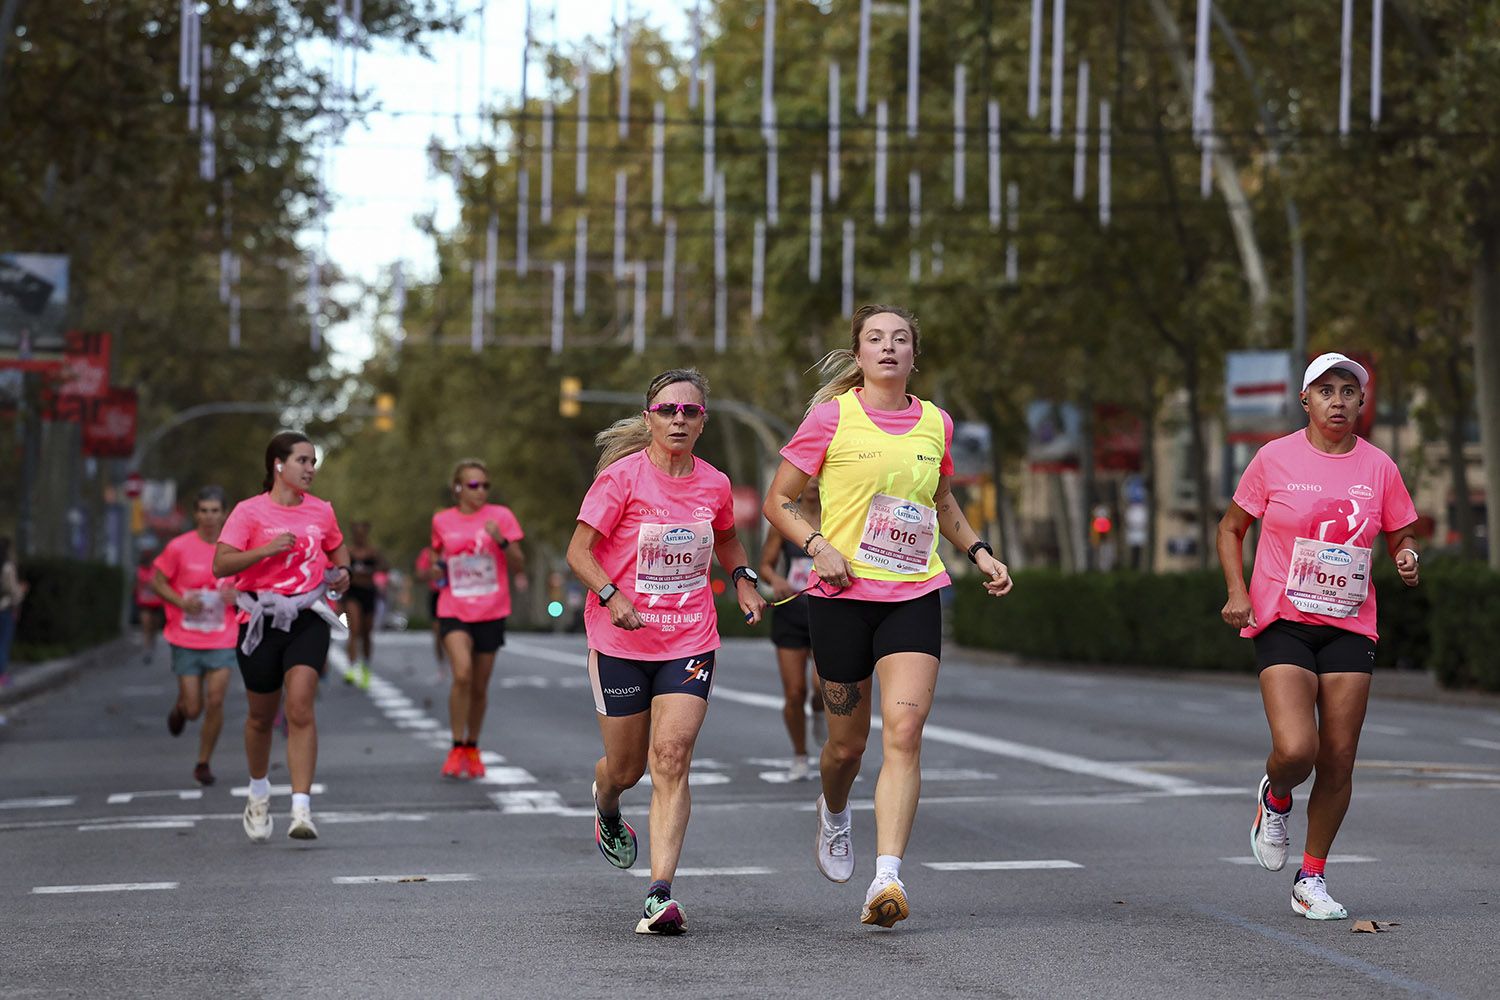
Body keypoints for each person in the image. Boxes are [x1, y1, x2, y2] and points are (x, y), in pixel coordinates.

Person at [762, 304, 1013, 929]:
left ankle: (887, 878)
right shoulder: (829, 419)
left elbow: (944, 500)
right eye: (876, 339)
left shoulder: (935, 423)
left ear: (914, 357)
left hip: (913, 594)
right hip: (841, 599)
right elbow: (779, 500)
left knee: (904, 734)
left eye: (900, 339)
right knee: (846, 748)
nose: (889, 348)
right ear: (859, 354)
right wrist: (819, 546)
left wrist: (979, 552)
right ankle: (835, 811)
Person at [1218, 353, 1420, 921]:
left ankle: (1311, 878)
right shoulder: (1273, 458)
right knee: (1297, 749)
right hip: (1283, 618)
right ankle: (1275, 796)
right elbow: (1231, 528)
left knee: (1338, 759)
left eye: (1348, 391)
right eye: (1325, 390)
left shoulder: (1379, 467)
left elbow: (1403, 532)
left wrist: (1407, 557)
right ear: (1305, 401)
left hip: (1350, 623)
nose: (1338, 400)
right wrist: (1238, 593)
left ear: (1362, 403)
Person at [566, 368, 766, 936]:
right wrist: (611, 594)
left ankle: (659, 895)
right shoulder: (620, 480)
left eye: (691, 412)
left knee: (672, 757)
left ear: (704, 421)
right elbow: (579, 552)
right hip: (621, 639)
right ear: (650, 416)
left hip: (689, 638)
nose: (679, 419)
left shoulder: (715, 484)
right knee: (627, 769)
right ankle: (606, 802)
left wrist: (744, 579)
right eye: (668, 410)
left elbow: (725, 538)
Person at [214, 431, 350, 843]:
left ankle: (301, 809)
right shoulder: (248, 512)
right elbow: (221, 565)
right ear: (278, 464)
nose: (310, 469)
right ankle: (258, 793)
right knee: (259, 716)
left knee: (301, 705)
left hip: (307, 615)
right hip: (259, 620)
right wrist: (266, 550)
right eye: (302, 461)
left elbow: (339, 554)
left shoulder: (322, 511)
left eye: (313, 462)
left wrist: (343, 575)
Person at [430, 460, 525, 780]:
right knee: (463, 673)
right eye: (473, 485)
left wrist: (501, 540)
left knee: (480, 687)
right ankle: (456, 745)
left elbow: (518, 564)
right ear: (457, 487)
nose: (481, 491)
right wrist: (435, 568)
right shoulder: (442, 520)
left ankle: (472, 745)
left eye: (485, 485)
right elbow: (435, 559)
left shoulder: (501, 517)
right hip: (453, 608)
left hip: (492, 610)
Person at [152, 487, 239, 786]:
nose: (209, 517)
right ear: (195, 514)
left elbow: (251, 585)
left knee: (215, 700)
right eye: (204, 510)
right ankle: (181, 708)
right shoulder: (178, 547)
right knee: (193, 709)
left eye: (215, 511)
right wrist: (180, 602)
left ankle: (203, 762)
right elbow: (157, 581)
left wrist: (236, 595)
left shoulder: (235, 549)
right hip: (185, 637)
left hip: (223, 636)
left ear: (225, 513)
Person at [758, 477, 826, 781]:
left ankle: (821, 711)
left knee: (822, 687)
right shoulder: (787, 519)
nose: (812, 484)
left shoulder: (838, 514)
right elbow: (766, 565)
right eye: (807, 479)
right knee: (795, 691)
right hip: (791, 611)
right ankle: (800, 755)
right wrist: (776, 581)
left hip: (828, 609)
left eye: (819, 478)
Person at [340, 521, 386, 690]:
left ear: (366, 534)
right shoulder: (348, 552)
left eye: (362, 533)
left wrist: (370, 571)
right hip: (353, 593)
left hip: (369, 592)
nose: (360, 537)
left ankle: (366, 665)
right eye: (357, 534)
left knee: (366, 632)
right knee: (355, 629)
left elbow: (384, 566)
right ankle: (351, 667)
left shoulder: (373, 552)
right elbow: (339, 566)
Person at [0, 536, 27, 689]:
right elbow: (11, 590)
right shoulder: (8, 567)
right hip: (5, 608)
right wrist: (21, 591)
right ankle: (1, 676)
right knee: (3, 643)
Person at [414, 545, 446, 671]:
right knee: (438, 633)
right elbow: (419, 575)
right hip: (437, 595)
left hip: (455, 596)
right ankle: (442, 666)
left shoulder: (455, 549)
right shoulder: (427, 553)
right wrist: (433, 570)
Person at [135, 548, 165, 664]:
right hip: (144, 603)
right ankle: (147, 650)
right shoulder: (139, 570)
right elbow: (137, 585)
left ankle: (152, 644)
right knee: (146, 625)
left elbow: (161, 583)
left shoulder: (156, 569)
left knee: (154, 627)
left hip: (156, 602)